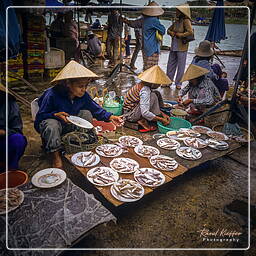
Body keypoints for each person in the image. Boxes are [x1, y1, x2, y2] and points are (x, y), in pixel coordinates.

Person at [34, 61, 123, 168]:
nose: (84, 89)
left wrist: (111, 117)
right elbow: (39, 118)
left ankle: (80, 144)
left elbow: (96, 109)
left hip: (70, 126)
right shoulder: (52, 94)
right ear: (68, 84)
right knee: (51, 124)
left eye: (86, 85)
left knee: (86, 113)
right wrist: (55, 115)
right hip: (55, 128)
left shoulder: (83, 95)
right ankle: (56, 156)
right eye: (80, 86)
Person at [123, 65, 172, 132]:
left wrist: (163, 114)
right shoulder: (145, 91)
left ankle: (152, 116)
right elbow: (145, 113)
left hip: (133, 109)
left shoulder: (143, 84)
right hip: (130, 115)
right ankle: (141, 119)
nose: (159, 85)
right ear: (153, 83)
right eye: (158, 84)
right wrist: (161, 119)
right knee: (153, 96)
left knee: (156, 93)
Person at [122, 1, 165, 70]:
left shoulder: (143, 20)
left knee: (146, 65)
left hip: (145, 47)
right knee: (152, 68)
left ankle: (145, 79)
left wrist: (126, 21)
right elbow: (163, 31)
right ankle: (148, 80)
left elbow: (133, 24)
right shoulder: (155, 20)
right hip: (153, 48)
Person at [0, 84, 27, 172]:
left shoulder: (9, 103)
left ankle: (10, 168)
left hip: (3, 141)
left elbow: (16, 130)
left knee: (18, 140)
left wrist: (2, 132)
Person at [166, 4, 193, 89]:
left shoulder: (186, 21)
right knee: (170, 64)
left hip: (182, 47)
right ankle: (168, 81)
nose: (176, 12)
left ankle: (178, 83)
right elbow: (168, 30)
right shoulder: (176, 21)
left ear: (181, 12)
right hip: (174, 46)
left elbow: (190, 32)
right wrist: (172, 33)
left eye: (177, 11)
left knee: (181, 66)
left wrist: (180, 35)